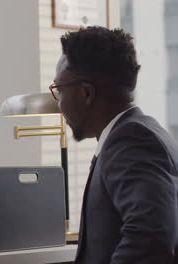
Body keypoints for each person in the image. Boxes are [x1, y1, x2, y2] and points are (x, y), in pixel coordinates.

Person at [50, 26, 178, 263]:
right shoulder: (136, 134)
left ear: (87, 93)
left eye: (59, 90)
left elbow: (151, 237)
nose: (58, 104)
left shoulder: (131, 140)